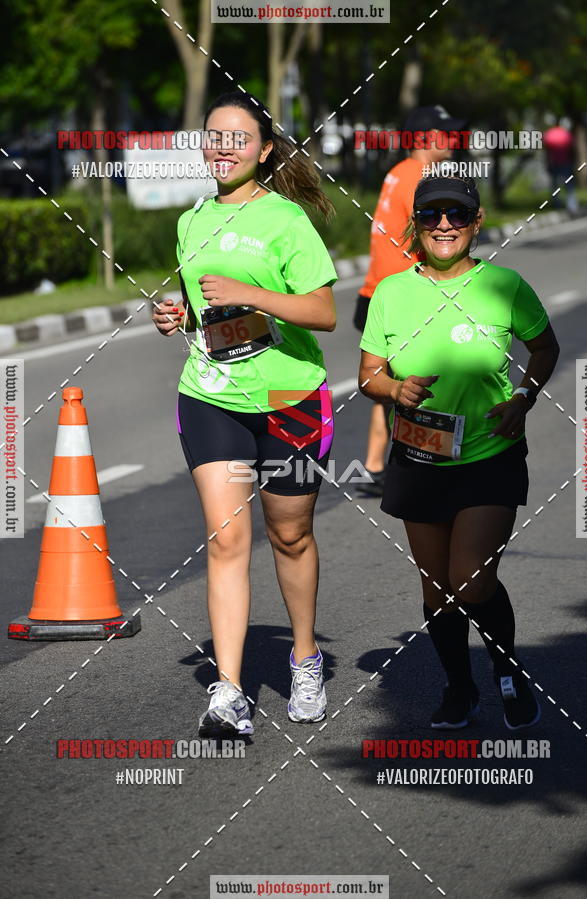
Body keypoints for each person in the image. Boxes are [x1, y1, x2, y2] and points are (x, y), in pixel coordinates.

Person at [152, 90, 338, 736]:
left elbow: (323, 312)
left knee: (289, 534)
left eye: (237, 138)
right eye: (213, 136)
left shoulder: (287, 220)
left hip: (289, 400)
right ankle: (229, 692)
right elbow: (199, 312)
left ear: (262, 151)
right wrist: (171, 316)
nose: (222, 148)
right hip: (212, 395)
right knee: (228, 538)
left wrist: (249, 292)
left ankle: (305, 658)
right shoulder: (190, 221)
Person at [359, 174, 560, 730]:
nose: (443, 225)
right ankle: (460, 688)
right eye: (431, 215)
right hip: (419, 458)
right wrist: (394, 390)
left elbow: (544, 346)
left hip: (489, 454)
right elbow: (367, 375)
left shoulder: (504, 285)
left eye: (455, 214)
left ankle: (508, 671)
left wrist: (524, 396)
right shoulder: (393, 294)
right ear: (416, 226)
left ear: (476, 224)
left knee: (471, 577)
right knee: (437, 587)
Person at [354, 105, 466, 497]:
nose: (453, 140)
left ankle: (373, 465)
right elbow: (432, 241)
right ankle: (420, 463)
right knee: (422, 379)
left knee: (388, 383)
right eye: (444, 133)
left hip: (373, 290)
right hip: (400, 295)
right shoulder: (422, 179)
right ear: (422, 139)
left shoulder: (398, 172)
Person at [543, 122, 579, 215]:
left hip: (554, 163)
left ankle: (557, 204)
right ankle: (572, 206)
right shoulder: (566, 135)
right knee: (569, 185)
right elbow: (572, 149)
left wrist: (547, 163)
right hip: (565, 163)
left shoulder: (550, 136)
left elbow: (547, 152)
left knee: (555, 185)